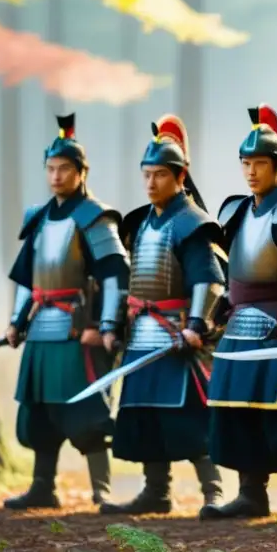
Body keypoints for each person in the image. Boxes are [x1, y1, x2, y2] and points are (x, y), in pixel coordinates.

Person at [99, 115, 224, 516]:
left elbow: (210, 279)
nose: (150, 183)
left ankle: (214, 492)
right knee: (146, 417)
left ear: (180, 175)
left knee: (188, 419)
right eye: (146, 175)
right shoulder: (139, 222)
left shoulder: (191, 223)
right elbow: (132, 281)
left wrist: (196, 325)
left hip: (176, 335)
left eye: (159, 175)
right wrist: (115, 327)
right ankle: (156, 492)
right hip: (143, 335)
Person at [204, 104, 277, 522]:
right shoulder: (236, 211)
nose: (251, 172)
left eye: (259, 164)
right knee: (237, 410)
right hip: (239, 324)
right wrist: (213, 316)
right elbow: (225, 271)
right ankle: (250, 493)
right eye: (246, 163)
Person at [2, 114, 127, 510]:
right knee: (39, 411)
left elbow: (113, 276)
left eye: (64, 169)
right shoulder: (37, 219)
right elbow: (27, 278)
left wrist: (106, 326)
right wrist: (16, 321)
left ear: (80, 172)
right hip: (40, 328)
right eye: (51, 169)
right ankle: (43, 486)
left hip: (77, 331)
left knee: (86, 410)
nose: (56, 176)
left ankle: (101, 490)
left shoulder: (94, 218)